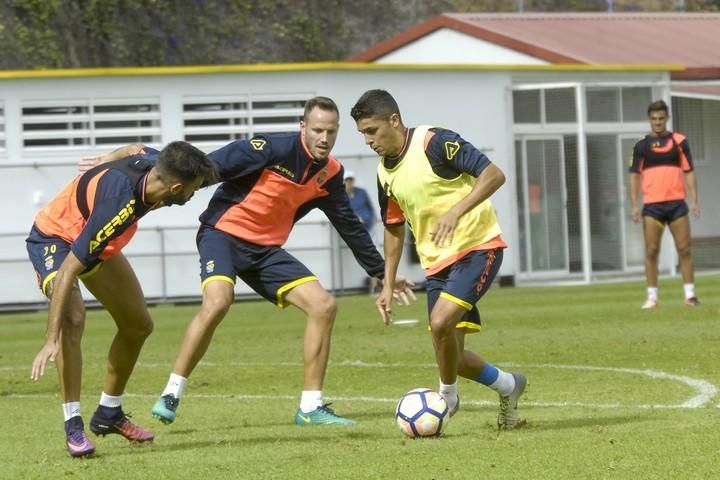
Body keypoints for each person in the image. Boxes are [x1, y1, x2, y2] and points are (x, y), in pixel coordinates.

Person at [149, 96, 415, 427]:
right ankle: (172, 392)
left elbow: (348, 225)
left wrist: (381, 272)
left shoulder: (330, 174)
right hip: (223, 235)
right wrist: (154, 191)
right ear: (303, 127)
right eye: (318, 130)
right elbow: (204, 168)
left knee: (324, 306)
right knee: (218, 302)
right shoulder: (269, 149)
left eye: (331, 132)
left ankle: (310, 407)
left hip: (265, 251)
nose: (324, 138)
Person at [27, 141, 218, 457]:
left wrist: (107, 159)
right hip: (57, 238)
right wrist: (50, 339)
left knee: (138, 325)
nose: (195, 194)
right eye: (193, 189)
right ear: (175, 187)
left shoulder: (158, 163)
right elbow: (68, 271)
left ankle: (109, 414)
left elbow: (137, 147)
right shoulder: (120, 205)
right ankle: (73, 426)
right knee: (72, 318)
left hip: (95, 241)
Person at [350, 89, 527, 430]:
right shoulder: (385, 173)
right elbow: (393, 229)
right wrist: (386, 283)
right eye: (363, 134)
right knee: (454, 358)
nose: (368, 141)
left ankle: (447, 399)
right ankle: (509, 385)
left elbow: (494, 174)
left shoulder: (434, 142)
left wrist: (456, 211)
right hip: (437, 265)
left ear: (394, 120)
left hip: (478, 246)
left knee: (442, 322)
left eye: (372, 131)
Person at [629, 100, 700, 309]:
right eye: (653, 119)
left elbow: (689, 171)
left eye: (661, 118)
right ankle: (652, 297)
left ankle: (690, 295)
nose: (657, 122)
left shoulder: (680, 141)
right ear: (648, 119)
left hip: (677, 204)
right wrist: (634, 204)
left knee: (685, 248)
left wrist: (694, 200)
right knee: (651, 250)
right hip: (652, 206)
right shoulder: (640, 146)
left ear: (667, 118)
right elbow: (634, 176)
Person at [344, 169, 380, 294]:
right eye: (347, 180)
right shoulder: (342, 196)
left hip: (370, 227)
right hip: (356, 232)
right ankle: (373, 286)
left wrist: (374, 217)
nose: (349, 182)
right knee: (365, 256)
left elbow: (370, 206)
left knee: (374, 255)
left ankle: (374, 287)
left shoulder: (362, 192)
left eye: (351, 180)